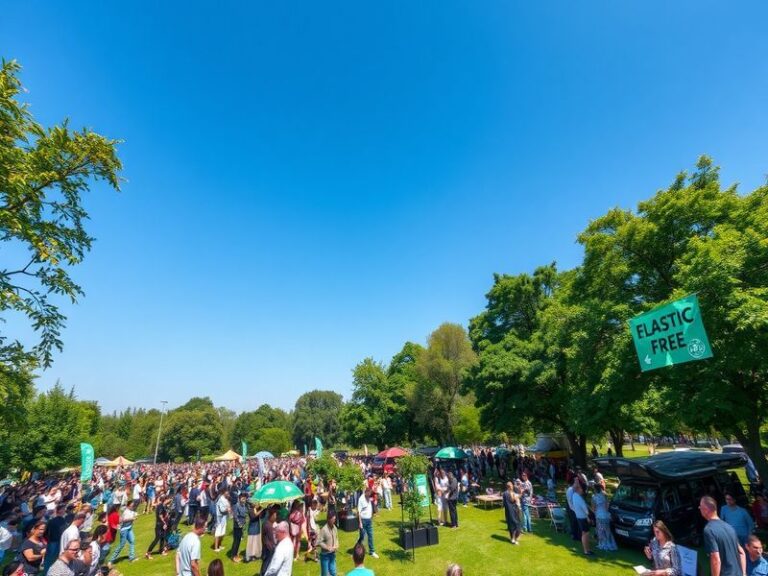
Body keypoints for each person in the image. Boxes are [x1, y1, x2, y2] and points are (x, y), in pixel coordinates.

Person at [700, 495, 746, 576]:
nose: (699, 509)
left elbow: (715, 559)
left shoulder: (709, 530)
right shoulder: (729, 527)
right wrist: (744, 573)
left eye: (700, 507)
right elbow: (741, 553)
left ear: (706, 510)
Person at [107, 499, 137, 565]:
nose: (132, 507)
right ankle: (111, 560)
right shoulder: (125, 512)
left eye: (133, 506)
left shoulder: (131, 511)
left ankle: (132, 557)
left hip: (129, 528)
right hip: (124, 530)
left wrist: (133, 518)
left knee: (132, 541)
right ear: (128, 506)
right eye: (131, 506)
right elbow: (122, 521)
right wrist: (131, 519)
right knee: (122, 544)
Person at [591, 484, 617, 551]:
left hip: (599, 515)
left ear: (595, 489)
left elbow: (593, 509)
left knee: (600, 530)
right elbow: (607, 507)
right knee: (607, 530)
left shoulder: (594, 497)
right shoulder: (605, 496)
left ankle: (602, 544)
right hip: (605, 515)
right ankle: (609, 543)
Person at [571, 480, 593, 556]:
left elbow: (574, 488)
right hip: (583, 518)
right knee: (586, 534)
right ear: (579, 489)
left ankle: (587, 549)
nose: (583, 492)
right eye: (582, 490)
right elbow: (586, 511)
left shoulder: (574, 495)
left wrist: (577, 484)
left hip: (579, 517)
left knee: (584, 533)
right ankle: (586, 550)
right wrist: (588, 518)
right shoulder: (579, 498)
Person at [145, 494, 170, 558]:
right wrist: (164, 523)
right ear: (165, 499)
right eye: (168, 499)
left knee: (162, 538)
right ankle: (148, 553)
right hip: (159, 525)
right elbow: (160, 516)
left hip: (163, 524)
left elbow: (165, 515)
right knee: (157, 539)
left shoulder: (164, 506)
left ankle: (161, 551)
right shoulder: (160, 506)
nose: (169, 500)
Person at [357, 488, 378, 558]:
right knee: (362, 537)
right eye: (368, 494)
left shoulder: (369, 497)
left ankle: (372, 552)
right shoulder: (361, 499)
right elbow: (358, 512)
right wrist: (360, 523)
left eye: (370, 494)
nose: (369, 496)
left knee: (370, 536)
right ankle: (357, 550)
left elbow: (371, 507)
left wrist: (372, 517)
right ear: (365, 492)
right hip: (363, 520)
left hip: (369, 520)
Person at [317, 508, 339, 576]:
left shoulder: (335, 528)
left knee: (333, 572)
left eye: (335, 519)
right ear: (329, 519)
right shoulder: (324, 530)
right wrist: (327, 547)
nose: (334, 521)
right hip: (325, 556)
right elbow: (319, 542)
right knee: (325, 574)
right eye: (333, 519)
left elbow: (336, 538)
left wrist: (337, 544)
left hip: (332, 554)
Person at [230, 491, 248, 562]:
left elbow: (244, 514)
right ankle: (233, 556)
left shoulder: (244, 505)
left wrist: (244, 521)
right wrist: (239, 523)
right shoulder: (236, 505)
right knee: (236, 541)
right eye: (242, 498)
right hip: (237, 526)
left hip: (241, 526)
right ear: (239, 498)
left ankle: (235, 554)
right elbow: (235, 516)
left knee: (239, 541)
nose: (244, 500)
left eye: (245, 499)